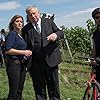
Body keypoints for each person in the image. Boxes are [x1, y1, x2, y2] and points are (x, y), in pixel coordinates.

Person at [22, 5, 64, 100]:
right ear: (28, 17)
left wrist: (55, 35)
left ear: (38, 13)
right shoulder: (26, 29)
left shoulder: (48, 22)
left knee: (53, 86)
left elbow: (60, 32)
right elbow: (25, 46)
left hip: (51, 60)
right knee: (39, 88)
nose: (33, 16)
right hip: (36, 63)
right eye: (30, 15)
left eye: (34, 13)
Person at [5, 15, 32, 100]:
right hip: (14, 65)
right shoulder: (12, 34)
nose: (20, 23)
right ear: (13, 24)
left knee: (19, 90)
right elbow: (8, 50)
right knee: (14, 91)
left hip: (22, 65)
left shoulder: (20, 35)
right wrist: (24, 52)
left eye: (21, 21)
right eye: (17, 21)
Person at [91, 8, 100, 83]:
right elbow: (94, 48)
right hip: (98, 62)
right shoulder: (95, 33)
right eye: (97, 17)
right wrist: (93, 59)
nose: (99, 19)